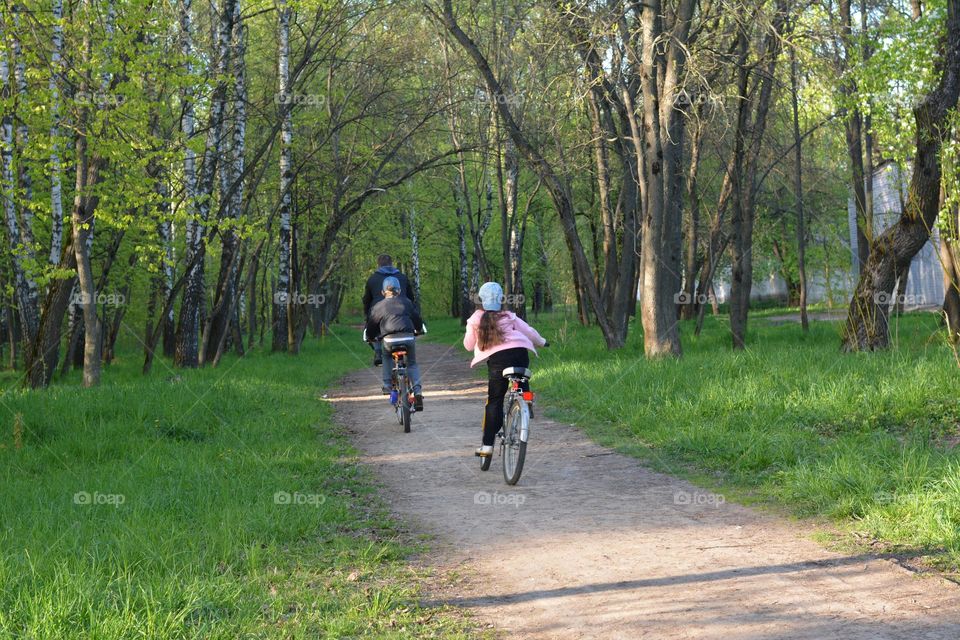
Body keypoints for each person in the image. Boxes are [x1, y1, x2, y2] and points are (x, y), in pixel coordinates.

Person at [463, 282, 546, 458]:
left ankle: (487, 447)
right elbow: (529, 332)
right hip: (520, 353)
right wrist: (542, 342)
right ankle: (526, 398)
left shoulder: (476, 318)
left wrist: (472, 330)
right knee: (521, 377)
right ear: (501, 300)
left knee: (495, 401)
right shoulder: (509, 316)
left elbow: (468, 345)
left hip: (498, 361)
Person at [365, 276, 425, 411]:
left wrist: (370, 337)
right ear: (399, 291)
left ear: (382, 292)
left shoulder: (378, 306)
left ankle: (387, 385)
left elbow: (372, 325)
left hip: (389, 340)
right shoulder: (407, 302)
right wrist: (419, 329)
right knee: (412, 363)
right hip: (408, 338)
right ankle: (417, 391)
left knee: (386, 357)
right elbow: (417, 319)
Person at [362, 255, 416, 367]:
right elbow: (411, 297)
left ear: (378, 265)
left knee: (374, 326)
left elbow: (367, 300)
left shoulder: (372, 279)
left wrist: (367, 315)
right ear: (392, 263)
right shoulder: (402, 277)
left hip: (379, 312)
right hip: (402, 311)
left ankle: (378, 352)